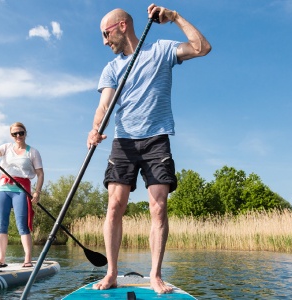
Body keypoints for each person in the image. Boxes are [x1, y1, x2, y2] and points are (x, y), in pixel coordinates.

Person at [87, 4, 211, 294]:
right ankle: (112, 273)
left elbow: (202, 47)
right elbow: (104, 105)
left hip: (156, 139)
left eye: (105, 34)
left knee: (158, 208)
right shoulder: (113, 67)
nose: (104, 41)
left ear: (121, 26)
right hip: (123, 141)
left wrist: (175, 17)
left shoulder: (161, 51)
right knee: (115, 206)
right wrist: (95, 128)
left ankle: (155, 275)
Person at [0, 122, 44, 268]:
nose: (18, 136)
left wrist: (37, 192)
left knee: (22, 225)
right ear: (11, 135)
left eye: (21, 133)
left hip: (21, 190)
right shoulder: (6, 147)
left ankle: (27, 259)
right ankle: (1, 259)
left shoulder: (33, 152)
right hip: (3, 188)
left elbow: (40, 174)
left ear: (25, 133)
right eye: (14, 134)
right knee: (1, 225)